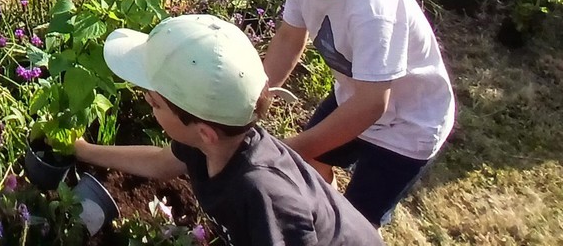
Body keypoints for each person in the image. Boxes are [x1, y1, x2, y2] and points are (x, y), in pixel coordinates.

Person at [238, 0, 456, 227]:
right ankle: (322, 210)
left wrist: (289, 149)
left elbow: (373, 105)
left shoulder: (371, 9)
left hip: (406, 127)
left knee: (356, 224)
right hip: (353, 97)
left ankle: (343, 225)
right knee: (312, 164)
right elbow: (291, 37)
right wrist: (255, 95)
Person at [74, 14, 384, 245]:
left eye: (155, 104)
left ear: (204, 132)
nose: (146, 101)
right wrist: (83, 150)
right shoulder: (216, 141)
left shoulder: (264, 196)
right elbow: (159, 162)